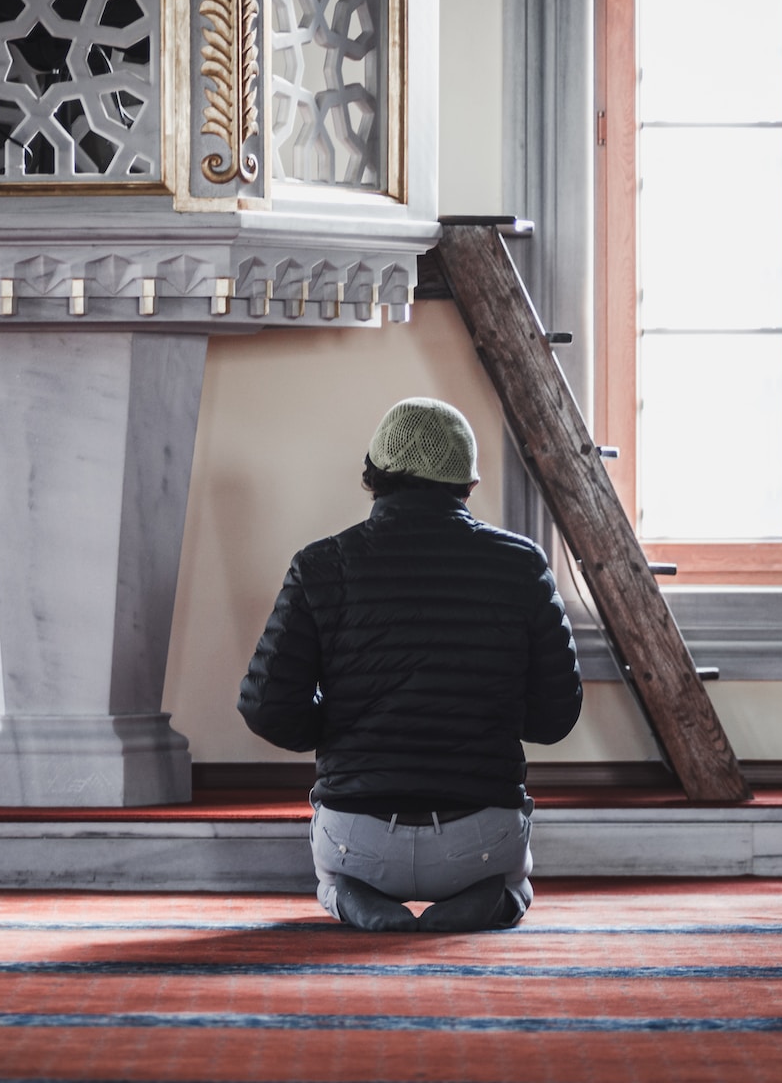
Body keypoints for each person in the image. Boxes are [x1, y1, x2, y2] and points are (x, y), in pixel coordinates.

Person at [238, 397, 583, 932]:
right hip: (480, 840)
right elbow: (555, 716)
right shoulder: (521, 564)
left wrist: (339, 725)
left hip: (358, 839)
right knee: (516, 882)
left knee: (331, 876)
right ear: (469, 484)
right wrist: (488, 712)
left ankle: (350, 895)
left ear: (372, 475)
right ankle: (493, 897)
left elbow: (266, 708)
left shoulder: (320, 564)